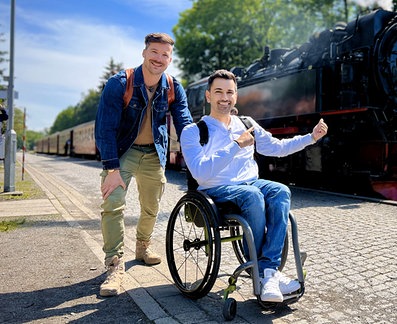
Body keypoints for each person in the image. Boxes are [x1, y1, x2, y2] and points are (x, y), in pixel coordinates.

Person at [180, 69, 328, 303]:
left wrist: (311, 138)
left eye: (230, 92)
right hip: (216, 189)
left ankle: (268, 271)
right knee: (252, 196)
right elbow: (200, 172)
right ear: (208, 96)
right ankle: (262, 273)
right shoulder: (194, 131)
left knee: (281, 190)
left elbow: (277, 147)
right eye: (218, 92)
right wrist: (236, 145)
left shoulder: (246, 124)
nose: (224, 97)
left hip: (251, 183)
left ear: (236, 97)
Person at [95, 32, 193, 297]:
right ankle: (115, 265)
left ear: (170, 58)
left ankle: (142, 246)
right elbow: (104, 128)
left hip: (153, 154)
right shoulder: (120, 83)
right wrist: (112, 169)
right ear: (144, 53)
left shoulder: (173, 86)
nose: (159, 59)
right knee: (113, 204)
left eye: (165, 55)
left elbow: (185, 123)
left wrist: (202, 147)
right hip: (122, 153)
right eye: (154, 52)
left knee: (152, 206)